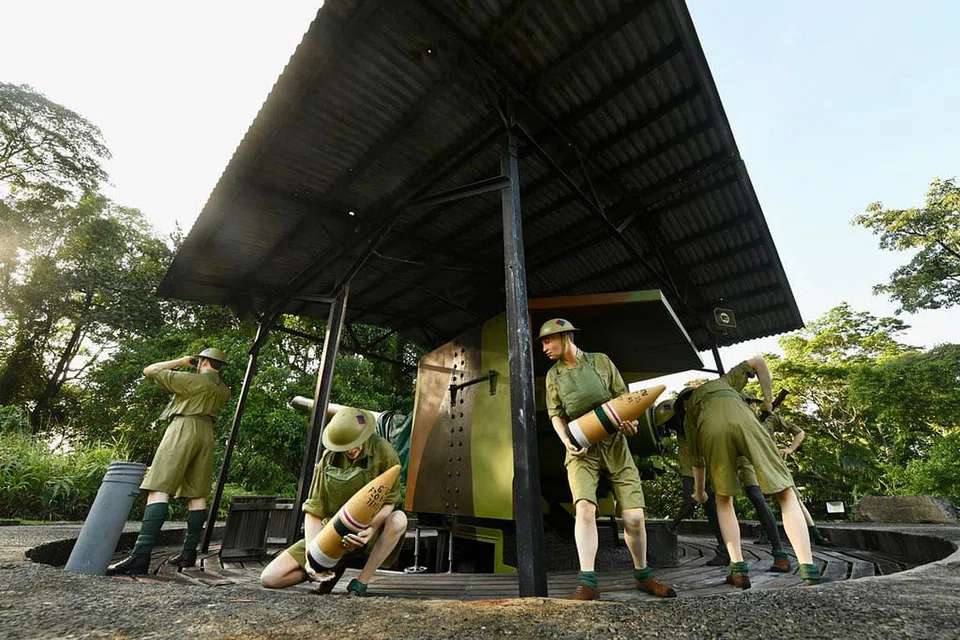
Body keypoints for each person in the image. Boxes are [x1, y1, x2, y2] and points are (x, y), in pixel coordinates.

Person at [540, 318, 677, 601]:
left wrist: (630, 424)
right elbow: (556, 415)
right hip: (581, 448)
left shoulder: (601, 362)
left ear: (565, 337)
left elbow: (623, 400)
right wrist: (567, 441)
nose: (544, 347)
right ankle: (587, 582)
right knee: (585, 510)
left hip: (615, 444)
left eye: (548, 341)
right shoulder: (553, 375)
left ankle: (643, 576)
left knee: (634, 517)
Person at [682, 357, 822, 588]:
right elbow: (758, 361)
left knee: (723, 500)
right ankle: (808, 568)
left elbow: (697, 462)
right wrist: (768, 399)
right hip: (746, 423)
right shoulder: (724, 383)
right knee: (785, 493)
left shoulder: (690, 415)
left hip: (712, 432)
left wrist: (699, 492)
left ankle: (738, 570)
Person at [106, 348, 231, 576]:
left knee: (159, 487)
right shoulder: (223, 390)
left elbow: (150, 371)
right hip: (207, 434)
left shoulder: (192, 380)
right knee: (197, 494)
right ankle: (188, 553)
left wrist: (182, 361)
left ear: (202, 361)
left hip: (183, 428)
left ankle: (140, 556)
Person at [260, 407, 407, 596]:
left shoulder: (385, 452)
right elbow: (314, 510)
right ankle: (327, 571)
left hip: (369, 533)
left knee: (399, 519)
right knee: (270, 578)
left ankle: (361, 582)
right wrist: (311, 558)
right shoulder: (328, 459)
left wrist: (370, 530)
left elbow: (389, 502)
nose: (353, 450)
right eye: (346, 447)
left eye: (356, 443)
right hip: (332, 532)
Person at [741, 392, 832, 547]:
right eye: (748, 403)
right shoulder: (741, 423)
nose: (752, 407)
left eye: (753, 403)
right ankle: (766, 534)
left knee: (794, 499)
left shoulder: (769, 419)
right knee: (761, 501)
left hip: (774, 463)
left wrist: (790, 448)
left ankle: (816, 534)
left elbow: (799, 432)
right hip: (754, 465)